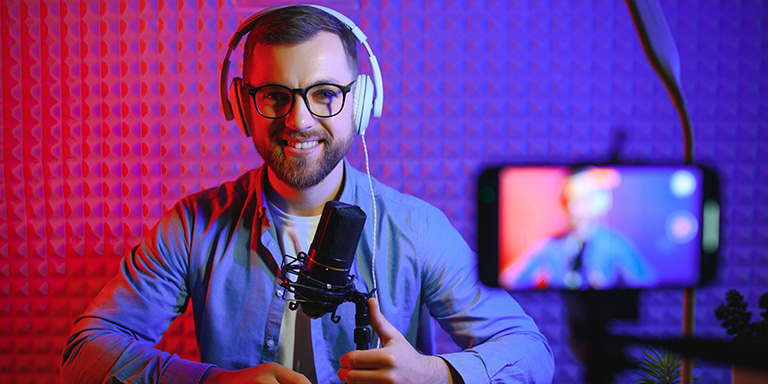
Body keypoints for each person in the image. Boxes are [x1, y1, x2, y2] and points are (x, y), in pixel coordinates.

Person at [61, 5, 554, 383]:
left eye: (324, 94)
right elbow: (85, 353)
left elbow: (531, 352)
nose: (299, 121)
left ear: (360, 103)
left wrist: (434, 375)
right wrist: (212, 382)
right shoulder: (194, 226)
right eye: (275, 95)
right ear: (242, 105)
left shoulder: (416, 227)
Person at [503, 167, 658, 290]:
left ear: (599, 202)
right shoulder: (550, 246)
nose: (575, 210)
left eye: (583, 201)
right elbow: (509, 280)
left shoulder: (615, 243)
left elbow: (647, 282)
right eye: (571, 201)